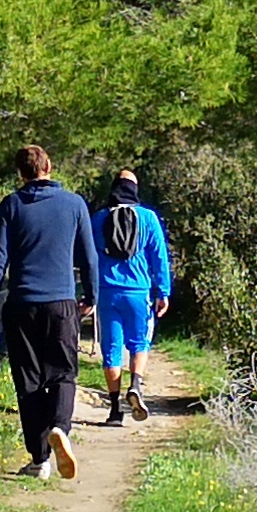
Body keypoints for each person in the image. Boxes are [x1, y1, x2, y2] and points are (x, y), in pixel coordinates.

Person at [0, 144, 98, 480]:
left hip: (21, 305)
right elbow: (89, 257)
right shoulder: (74, 204)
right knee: (62, 374)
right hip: (61, 304)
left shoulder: (11, 205)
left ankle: (39, 460)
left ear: (21, 173)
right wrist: (91, 295)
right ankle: (60, 427)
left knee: (28, 381)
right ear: (49, 166)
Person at [92, 168, 173, 425]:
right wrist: (163, 291)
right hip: (138, 292)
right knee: (140, 344)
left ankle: (114, 410)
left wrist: (87, 292)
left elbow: (88, 256)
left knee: (111, 350)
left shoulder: (99, 218)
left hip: (107, 292)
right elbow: (159, 257)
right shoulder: (149, 218)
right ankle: (136, 385)